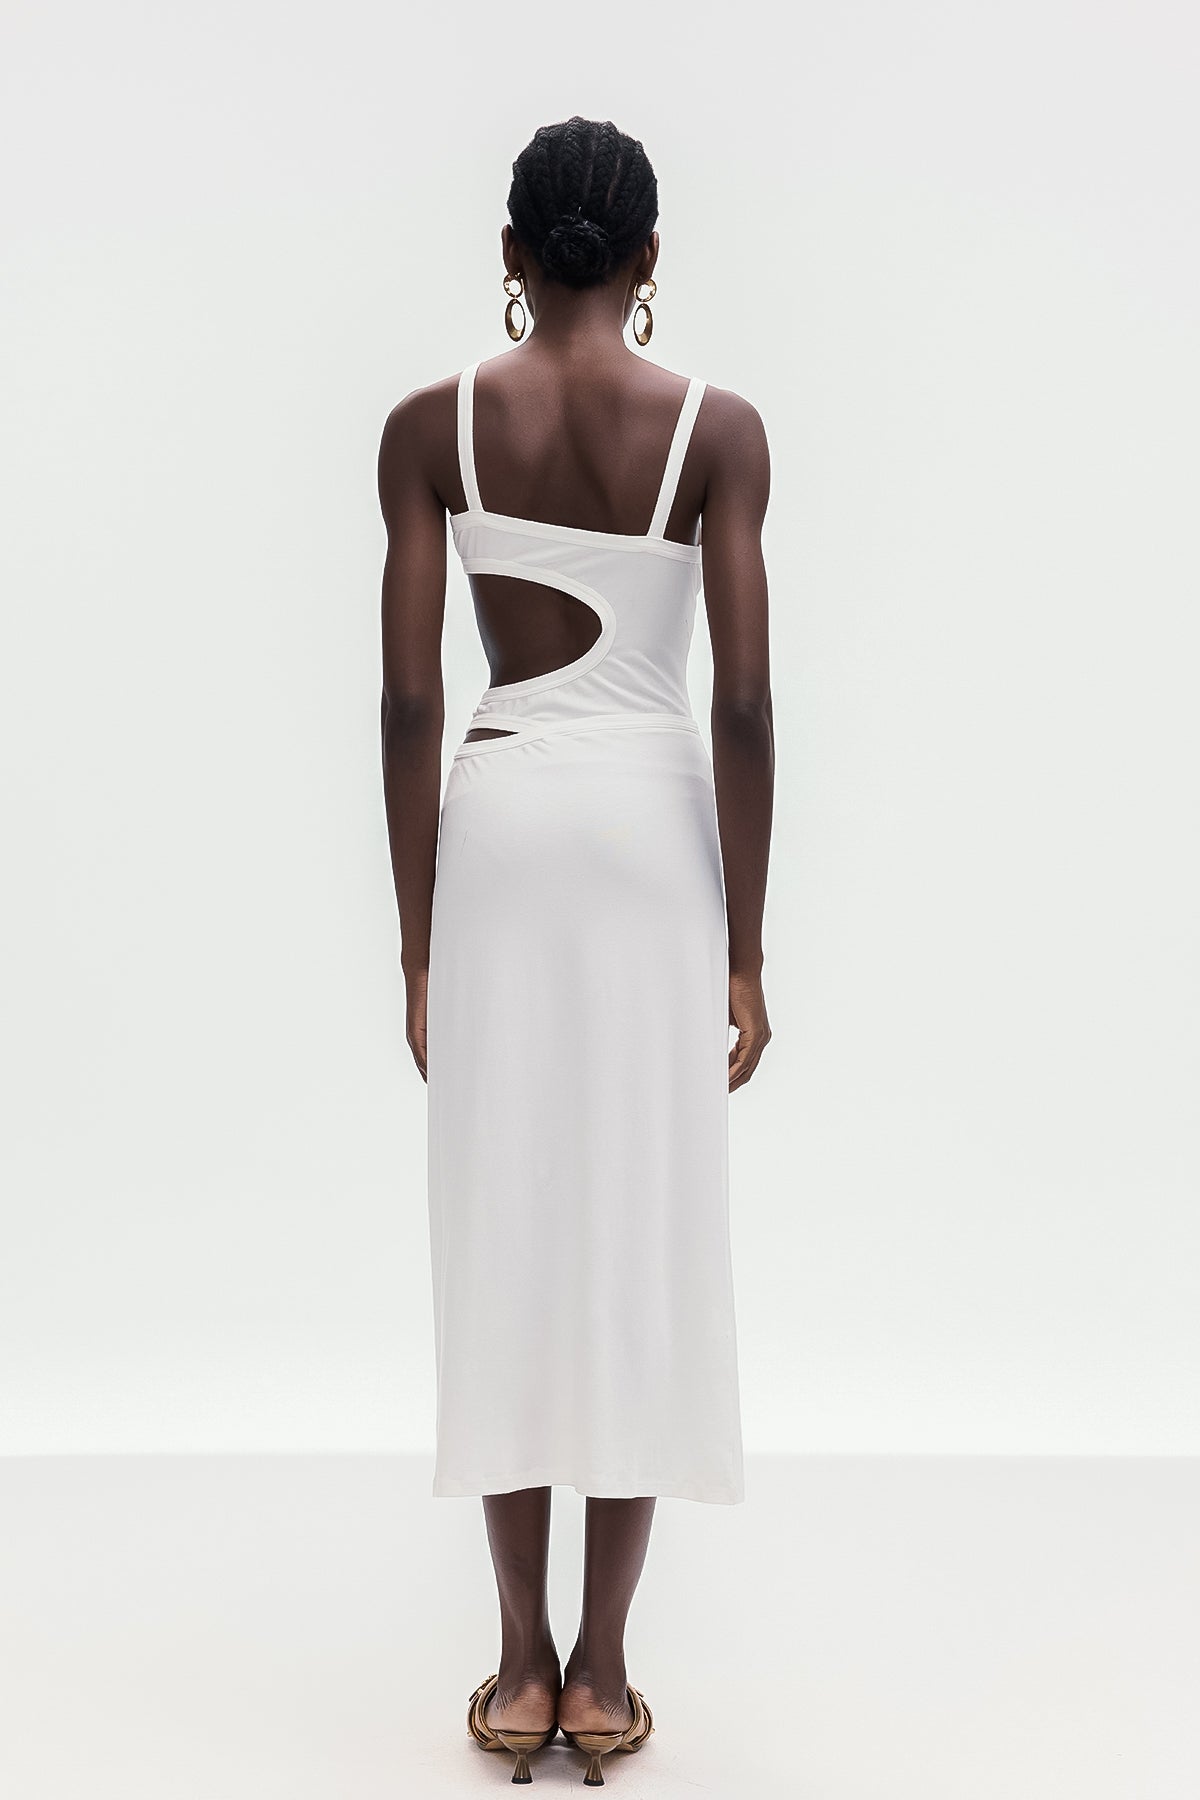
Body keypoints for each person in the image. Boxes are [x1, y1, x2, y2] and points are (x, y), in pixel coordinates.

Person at [378, 115, 773, 1786]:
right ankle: (604, 1673)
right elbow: (743, 704)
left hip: (503, 834)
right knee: (633, 1227)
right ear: (651, 258)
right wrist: (747, 949)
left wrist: (418, 945)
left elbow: (410, 697)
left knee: (505, 1230)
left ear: (513, 254)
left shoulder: (432, 430)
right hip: (650, 842)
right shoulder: (719, 432)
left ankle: (518, 1657)